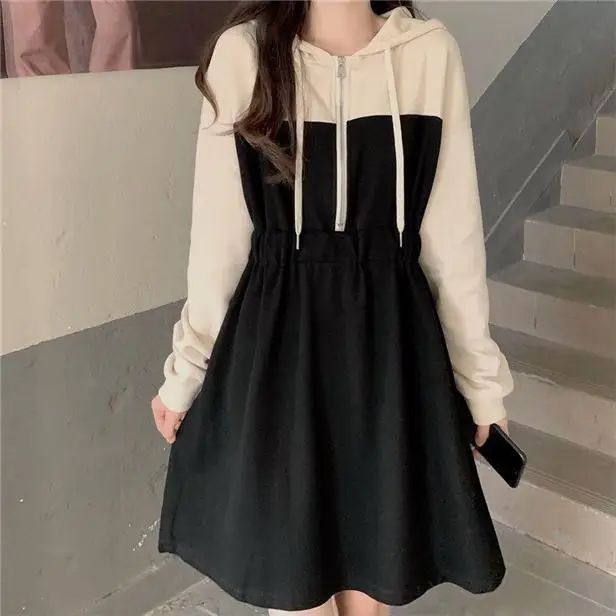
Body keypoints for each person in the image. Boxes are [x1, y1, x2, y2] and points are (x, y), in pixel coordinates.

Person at [151, 2, 515, 615]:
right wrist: (185, 372)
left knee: (372, 586)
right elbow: (218, 246)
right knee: (296, 590)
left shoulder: (428, 54)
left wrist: (482, 389)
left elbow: (453, 245)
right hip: (280, 356)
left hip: (391, 354)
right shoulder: (243, 55)